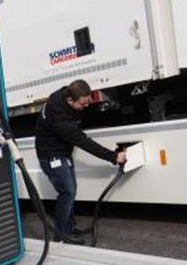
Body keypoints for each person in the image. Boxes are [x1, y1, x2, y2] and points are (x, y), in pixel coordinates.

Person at [35, 79, 127, 244]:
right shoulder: (59, 119)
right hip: (51, 157)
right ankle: (61, 236)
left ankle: (69, 228)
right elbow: (84, 142)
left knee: (71, 191)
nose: (86, 107)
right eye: (83, 104)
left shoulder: (64, 95)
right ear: (70, 100)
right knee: (67, 192)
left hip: (61, 153)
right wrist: (114, 157)